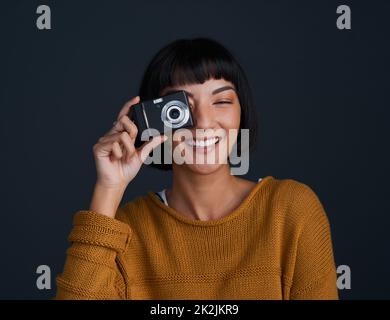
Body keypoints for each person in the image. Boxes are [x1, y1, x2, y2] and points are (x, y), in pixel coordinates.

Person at [55, 38, 338, 300]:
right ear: (149, 120)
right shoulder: (125, 231)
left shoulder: (291, 210)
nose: (203, 122)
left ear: (243, 112)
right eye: (180, 109)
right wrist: (109, 187)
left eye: (222, 101)